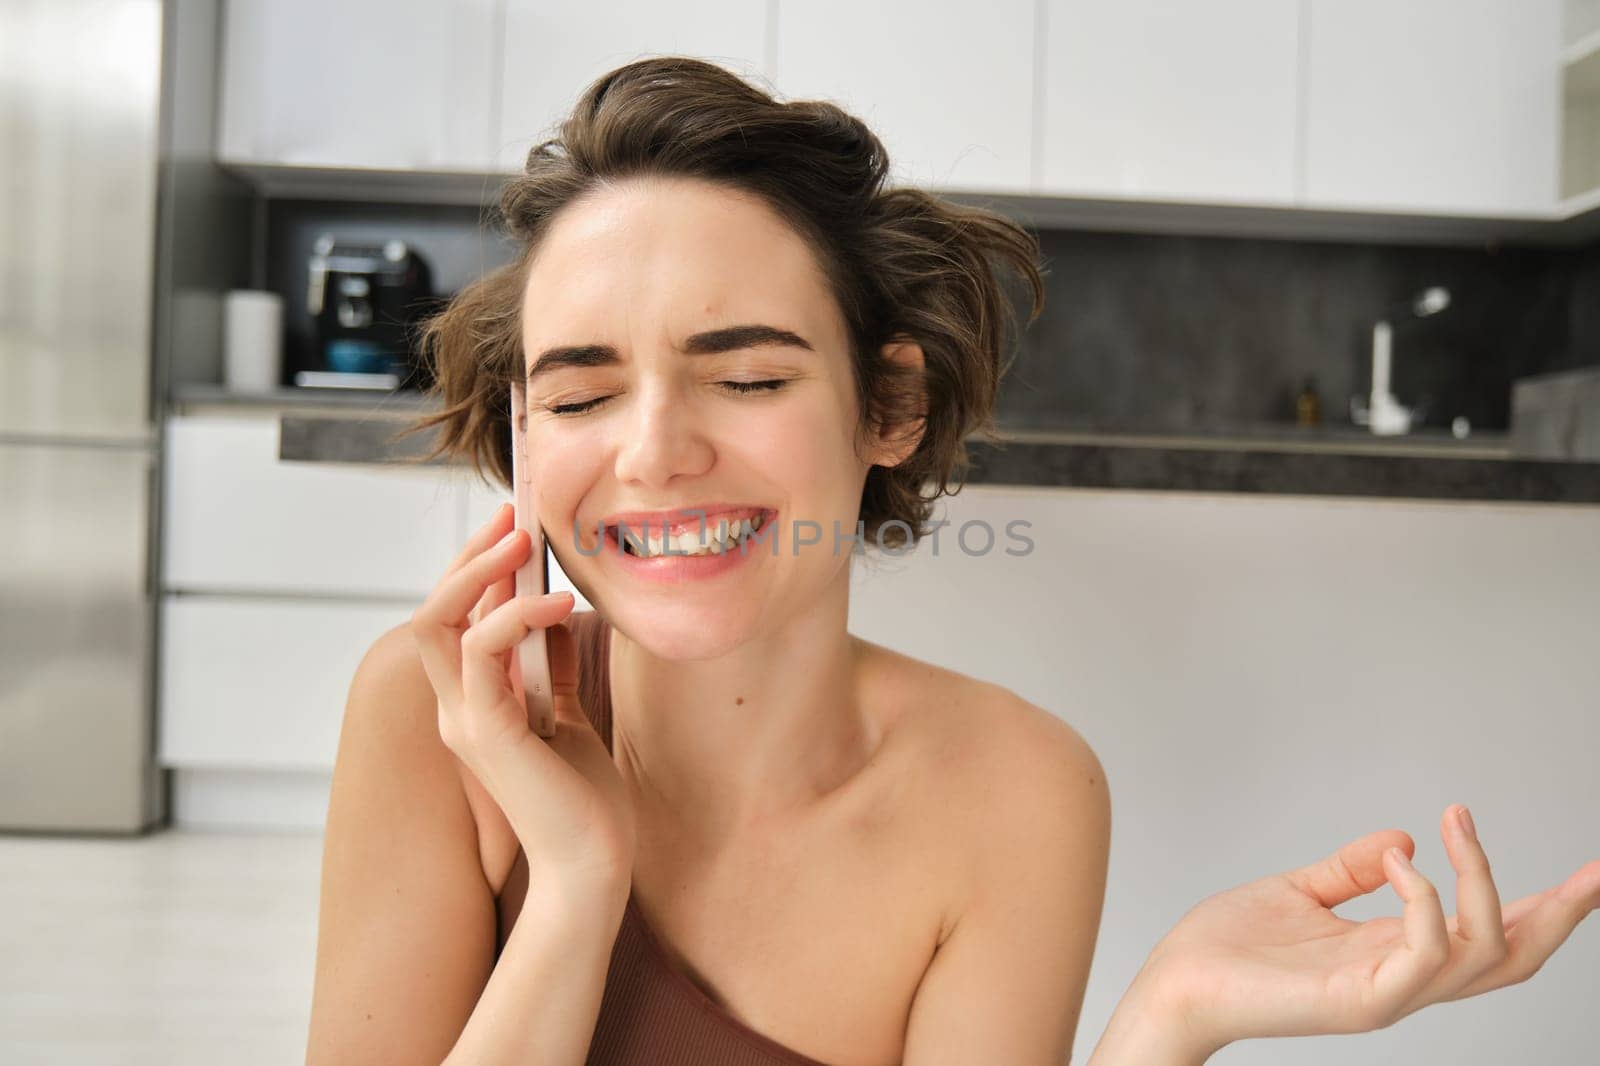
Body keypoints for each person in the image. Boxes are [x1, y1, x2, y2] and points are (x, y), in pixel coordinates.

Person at [304, 56, 1600, 1065]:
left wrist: (1170, 1011)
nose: (651, 452)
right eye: (580, 397)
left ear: (890, 409)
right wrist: (576, 886)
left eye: (747, 374)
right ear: (524, 432)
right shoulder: (435, 718)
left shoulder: (1017, 791)